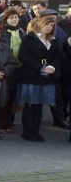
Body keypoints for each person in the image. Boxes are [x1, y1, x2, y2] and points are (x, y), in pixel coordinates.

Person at [16, 11, 61, 142]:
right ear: (40, 24)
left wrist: (52, 66)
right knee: (30, 105)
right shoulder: (29, 38)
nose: (49, 27)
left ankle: (36, 131)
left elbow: (58, 57)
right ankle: (28, 132)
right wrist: (40, 67)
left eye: (52, 25)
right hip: (31, 75)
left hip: (47, 76)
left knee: (40, 105)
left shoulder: (53, 41)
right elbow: (23, 57)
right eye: (47, 24)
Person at [0, 6, 26, 133]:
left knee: (13, 97)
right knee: (3, 97)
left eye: (16, 17)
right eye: (11, 17)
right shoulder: (1, 32)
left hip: (18, 68)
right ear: (5, 20)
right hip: (5, 67)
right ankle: (0, 123)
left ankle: (9, 122)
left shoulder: (21, 32)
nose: (14, 20)